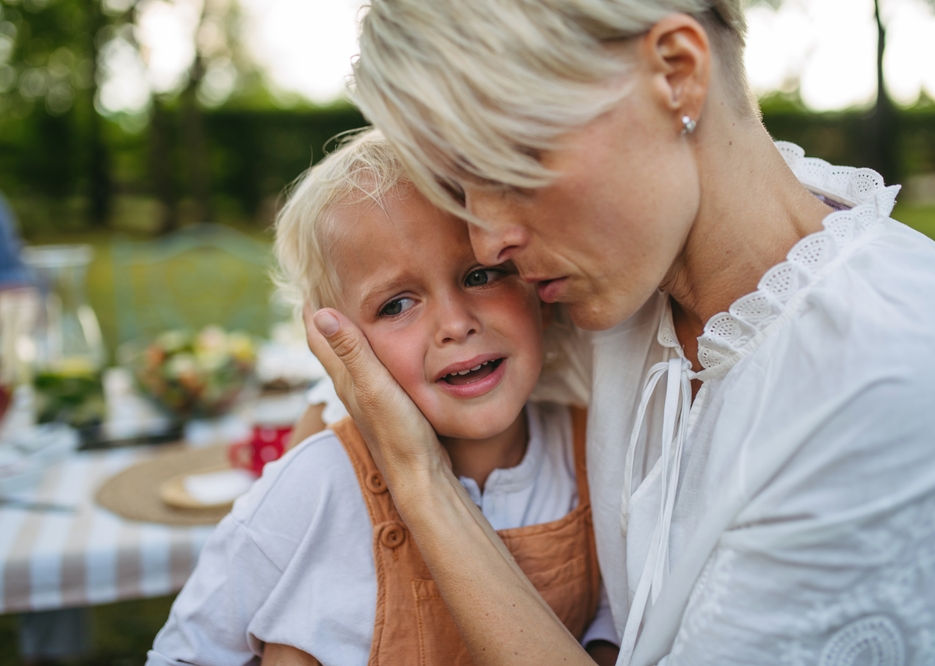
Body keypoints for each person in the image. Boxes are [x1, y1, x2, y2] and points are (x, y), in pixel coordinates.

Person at [303, 0, 935, 663]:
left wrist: (419, 482)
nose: (486, 244)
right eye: (459, 188)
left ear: (675, 73)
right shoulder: (625, 269)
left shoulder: (898, 385)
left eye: (505, 166)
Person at [146, 129, 619, 666]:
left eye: (481, 275)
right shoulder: (316, 486)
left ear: (541, 295)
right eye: (396, 305)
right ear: (340, 345)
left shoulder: (594, 451)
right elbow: (183, 654)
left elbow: (611, 617)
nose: (456, 324)